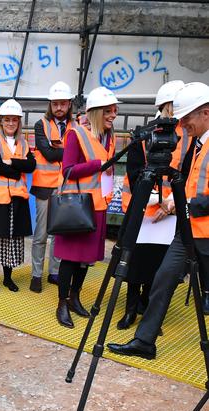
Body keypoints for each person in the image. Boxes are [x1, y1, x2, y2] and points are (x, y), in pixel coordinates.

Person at [108, 82, 209, 359]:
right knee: (163, 278)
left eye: (187, 117)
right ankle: (144, 341)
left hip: (205, 232)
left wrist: (183, 204)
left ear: (206, 113)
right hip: (188, 231)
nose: (182, 123)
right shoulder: (199, 144)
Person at [116, 80, 193, 329]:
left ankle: (148, 311)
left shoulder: (186, 137)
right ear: (166, 105)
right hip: (142, 211)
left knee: (156, 264)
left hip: (168, 212)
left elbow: (186, 174)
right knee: (134, 262)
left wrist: (168, 205)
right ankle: (130, 310)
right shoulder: (146, 133)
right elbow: (135, 173)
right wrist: (154, 201)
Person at [54, 87, 119, 328]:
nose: (113, 115)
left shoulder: (108, 136)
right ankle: (62, 303)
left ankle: (75, 298)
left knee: (86, 259)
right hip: (77, 206)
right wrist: (97, 164)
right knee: (70, 259)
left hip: (98, 205)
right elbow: (68, 170)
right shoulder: (76, 134)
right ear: (96, 112)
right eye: (109, 111)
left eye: (115, 111)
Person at [0, 99, 35, 292]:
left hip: (17, 199)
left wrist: (11, 162)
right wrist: (17, 168)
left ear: (19, 122)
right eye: (7, 119)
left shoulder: (24, 144)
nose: (11, 123)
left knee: (12, 240)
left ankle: (8, 278)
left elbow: (31, 166)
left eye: (14, 120)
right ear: (1, 121)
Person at [29, 81, 76, 293]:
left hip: (66, 187)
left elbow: (79, 153)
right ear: (51, 104)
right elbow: (47, 153)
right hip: (45, 188)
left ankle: (54, 272)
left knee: (58, 235)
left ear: (69, 104)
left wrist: (58, 148)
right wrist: (68, 150)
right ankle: (36, 275)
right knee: (40, 235)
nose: (59, 107)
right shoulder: (41, 125)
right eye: (55, 103)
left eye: (63, 103)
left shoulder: (76, 126)